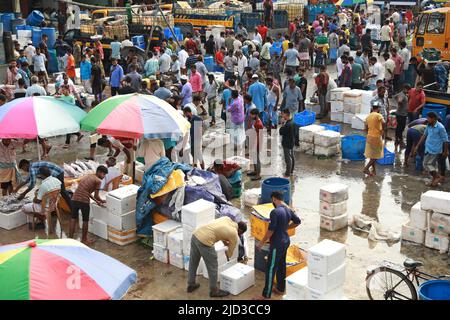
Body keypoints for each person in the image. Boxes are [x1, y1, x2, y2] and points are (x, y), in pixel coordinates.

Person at [255, 191, 301, 300]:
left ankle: (265, 295)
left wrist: (261, 243)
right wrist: (286, 228)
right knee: (281, 265)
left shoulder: (275, 212)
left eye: (273, 200)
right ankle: (280, 289)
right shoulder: (288, 210)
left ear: (274, 199)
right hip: (285, 241)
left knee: (270, 268)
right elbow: (297, 221)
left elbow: (271, 230)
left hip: (277, 244)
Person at [187, 216, 247, 297]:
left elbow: (220, 231)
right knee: (213, 266)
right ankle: (214, 291)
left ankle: (191, 284)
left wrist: (226, 243)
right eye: (240, 234)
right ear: (240, 231)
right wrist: (227, 256)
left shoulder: (226, 219)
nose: (239, 235)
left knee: (193, 262)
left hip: (196, 235)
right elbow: (229, 253)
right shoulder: (234, 233)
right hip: (205, 241)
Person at [69, 165, 108, 245]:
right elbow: (96, 195)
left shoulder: (88, 176)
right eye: (104, 174)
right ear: (99, 172)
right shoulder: (98, 181)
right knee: (85, 220)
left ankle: (70, 239)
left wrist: (96, 201)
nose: (104, 177)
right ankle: (84, 239)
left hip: (74, 199)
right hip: (83, 201)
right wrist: (101, 200)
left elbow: (87, 192)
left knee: (73, 218)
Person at [413, 112, 449, 187]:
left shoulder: (440, 127)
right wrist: (417, 146)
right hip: (428, 148)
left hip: (435, 149)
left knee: (429, 164)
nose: (427, 120)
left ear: (433, 118)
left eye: (429, 118)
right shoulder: (429, 125)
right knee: (425, 164)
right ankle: (435, 179)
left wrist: (445, 151)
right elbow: (424, 135)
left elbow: (445, 140)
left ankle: (437, 177)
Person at [363, 103, 385, 177]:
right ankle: (366, 168)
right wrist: (382, 131)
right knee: (376, 156)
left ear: (372, 108)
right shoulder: (378, 115)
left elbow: (365, 128)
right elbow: (384, 122)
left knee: (372, 155)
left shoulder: (368, 116)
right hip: (376, 137)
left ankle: (374, 171)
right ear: (378, 108)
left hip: (369, 137)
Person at [247, 108, 264, 181]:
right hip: (253, 141)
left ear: (256, 115)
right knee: (254, 158)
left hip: (256, 143)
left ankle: (258, 174)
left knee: (257, 159)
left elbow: (259, 136)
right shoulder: (255, 121)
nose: (251, 115)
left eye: (252, 114)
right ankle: (255, 171)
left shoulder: (259, 124)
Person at [227, 90, 245, 154]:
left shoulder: (234, 103)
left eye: (231, 94)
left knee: (234, 133)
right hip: (241, 118)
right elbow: (239, 94)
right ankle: (241, 144)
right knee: (241, 131)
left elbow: (229, 109)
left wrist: (228, 103)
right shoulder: (240, 99)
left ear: (232, 96)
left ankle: (236, 146)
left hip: (236, 119)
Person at [279, 109, 295, 178]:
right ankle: (291, 171)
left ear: (286, 114)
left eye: (282, 114)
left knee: (287, 159)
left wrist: (282, 124)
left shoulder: (287, 124)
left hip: (287, 143)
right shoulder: (292, 121)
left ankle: (287, 173)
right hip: (291, 142)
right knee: (291, 156)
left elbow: (281, 132)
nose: (282, 115)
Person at [395, 84, 410, 152]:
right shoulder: (402, 94)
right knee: (401, 128)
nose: (408, 91)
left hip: (401, 114)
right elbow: (399, 100)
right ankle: (400, 141)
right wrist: (400, 105)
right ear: (404, 88)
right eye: (407, 89)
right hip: (401, 114)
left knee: (399, 127)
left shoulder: (402, 94)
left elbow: (395, 96)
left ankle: (397, 140)